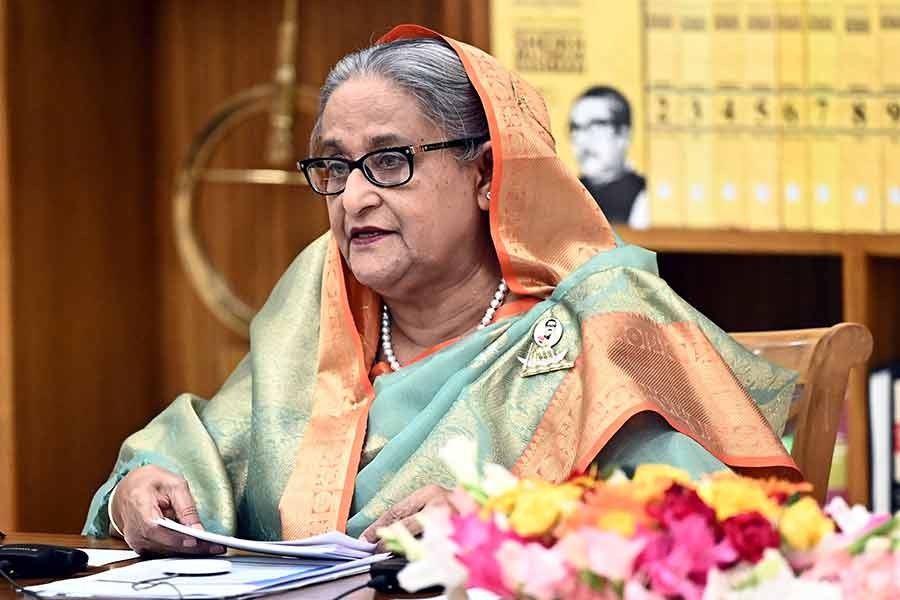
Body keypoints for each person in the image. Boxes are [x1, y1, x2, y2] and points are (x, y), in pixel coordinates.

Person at [83, 25, 798, 555]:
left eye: (389, 161)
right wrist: (149, 484)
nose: (353, 197)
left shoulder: (599, 324)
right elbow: (214, 443)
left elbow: (718, 523)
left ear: (487, 174)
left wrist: (512, 522)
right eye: (333, 168)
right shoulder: (323, 295)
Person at [570, 86, 649, 229]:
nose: (581, 139)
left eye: (596, 126)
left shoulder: (647, 197)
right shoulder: (563, 197)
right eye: (576, 128)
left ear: (624, 135)